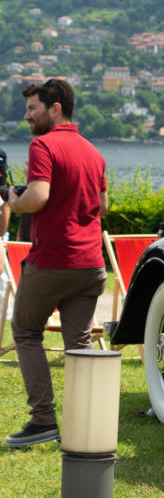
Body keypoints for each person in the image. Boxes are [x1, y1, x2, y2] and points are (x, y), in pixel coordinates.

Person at [3, 79, 108, 448]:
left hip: (53, 261)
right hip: (91, 265)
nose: (26, 116)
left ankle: (43, 420)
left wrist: (13, 200)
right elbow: (103, 206)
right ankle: (85, 424)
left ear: (55, 108)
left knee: (26, 331)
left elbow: (37, 197)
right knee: (78, 343)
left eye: (32, 108)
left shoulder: (43, 145)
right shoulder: (94, 153)